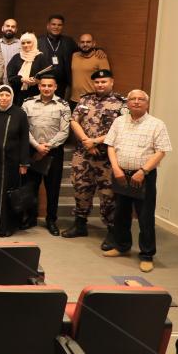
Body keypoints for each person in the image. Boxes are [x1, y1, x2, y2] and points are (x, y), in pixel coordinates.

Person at [104, 90, 171, 273]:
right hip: (120, 174)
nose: (136, 102)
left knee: (145, 217)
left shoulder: (156, 124)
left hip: (144, 176)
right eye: (132, 99)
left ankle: (147, 255)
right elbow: (110, 145)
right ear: (128, 103)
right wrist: (116, 168)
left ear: (147, 104)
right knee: (121, 213)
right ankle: (122, 246)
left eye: (140, 99)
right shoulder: (119, 121)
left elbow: (161, 151)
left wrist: (143, 171)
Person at [61, 69, 127, 243]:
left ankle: (112, 230)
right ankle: (80, 224)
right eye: (97, 82)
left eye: (104, 81)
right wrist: (86, 141)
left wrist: (95, 141)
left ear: (111, 82)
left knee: (108, 194)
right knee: (81, 188)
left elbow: (122, 129)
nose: (100, 84)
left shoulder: (121, 103)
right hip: (83, 154)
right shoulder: (85, 99)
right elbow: (74, 121)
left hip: (107, 157)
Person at [22, 75, 70, 235]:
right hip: (32, 150)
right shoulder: (28, 103)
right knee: (31, 186)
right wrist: (37, 146)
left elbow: (64, 131)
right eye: (43, 85)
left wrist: (47, 147)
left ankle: (51, 220)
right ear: (39, 86)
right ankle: (31, 218)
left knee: (53, 188)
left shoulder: (63, 105)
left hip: (53, 152)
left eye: (50, 85)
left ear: (55, 87)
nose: (46, 88)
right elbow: (24, 128)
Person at [0, 85, 30, 237]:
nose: (4, 98)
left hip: (12, 162)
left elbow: (24, 139)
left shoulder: (20, 114)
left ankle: (7, 227)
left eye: (7, 95)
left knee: (8, 194)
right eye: (1, 95)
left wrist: (24, 162)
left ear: (12, 97)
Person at [36, 14, 78, 99]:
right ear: (48, 26)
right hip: (43, 84)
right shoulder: (38, 41)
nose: (56, 27)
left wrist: (97, 50)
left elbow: (82, 52)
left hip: (62, 85)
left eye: (59, 25)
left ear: (62, 27)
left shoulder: (69, 42)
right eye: (53, 24)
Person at [6, 32, 51, 107]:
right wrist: (22, 79)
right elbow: (10, 77)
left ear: (34, 43)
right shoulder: (16, 58)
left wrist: (37, 81)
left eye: (28, 42)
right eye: (23, 43)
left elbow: (48, 76)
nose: (26, 45)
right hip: (18, 96)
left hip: (37, 95)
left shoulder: (41, 57)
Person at [70, 33, 111, 108]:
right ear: (78, 44)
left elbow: (106, 81)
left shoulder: (100, 57)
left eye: (88, 42)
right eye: (82, 42)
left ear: (93, 43)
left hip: (92, 100)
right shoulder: (74, 56)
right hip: (74, 100)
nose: (85, 44)